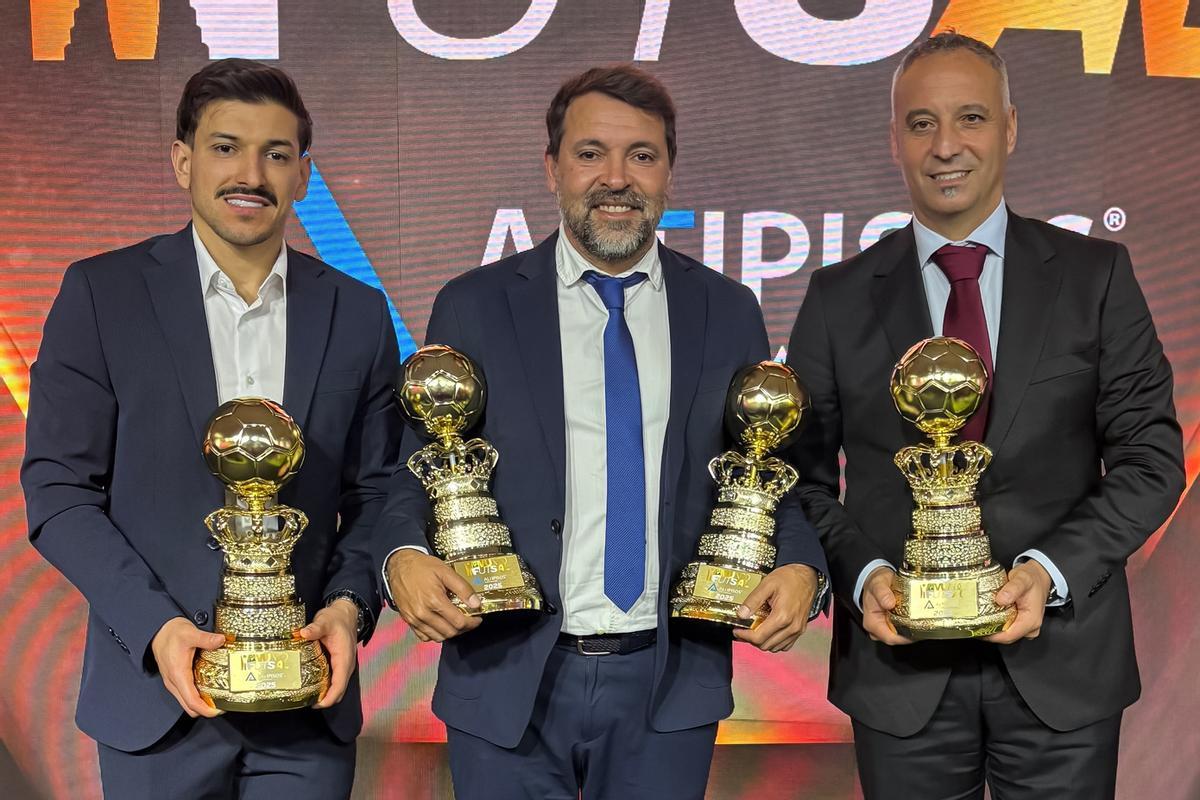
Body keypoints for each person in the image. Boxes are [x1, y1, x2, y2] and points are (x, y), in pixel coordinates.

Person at [373, 64, 828, 799]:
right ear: (552, 168)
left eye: (641, 155)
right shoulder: (475, 305)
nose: (616, 178)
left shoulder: (727, 309)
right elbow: (415, 468)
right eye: (591, 154)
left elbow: (769, 470)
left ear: (669, 171)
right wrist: (402, 556)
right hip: (506, 674)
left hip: (668, 683)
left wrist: (804, 568)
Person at [786, 32, 1185, 799]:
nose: (946, 146)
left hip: (1063, 666)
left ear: (1009, 127)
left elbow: (1150, 460)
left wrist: (1049, 571)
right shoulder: (837, 299)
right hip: (898, 672)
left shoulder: (1095, 278)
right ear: (894, 139)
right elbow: (800, 478)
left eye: (970, 117)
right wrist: (864, 574)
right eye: (922, 123)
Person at [21, 59, 400, 799]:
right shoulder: (102, 294)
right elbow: (59, 491)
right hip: (154, 702)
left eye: (276, 154)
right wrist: (155, 627)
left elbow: (379, 493)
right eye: (226, 147)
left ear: (303, 174)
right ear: (182, 161)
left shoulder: (356, 312)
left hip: (306, 707)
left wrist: (348, 609)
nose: (250, 174)